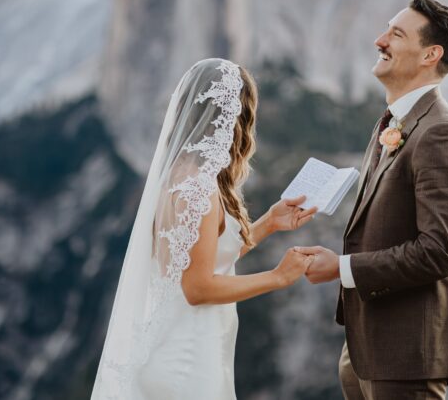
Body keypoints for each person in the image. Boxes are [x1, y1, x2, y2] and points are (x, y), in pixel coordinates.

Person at [91, 58, 317, 400]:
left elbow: (200, 259)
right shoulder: (200, 189)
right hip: (190, 361)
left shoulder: (179, 179)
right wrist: (278, 277)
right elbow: (197, 287)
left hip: (177, 350)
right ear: (235, 118)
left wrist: (269, 223)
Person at [297, 0, 448, 400]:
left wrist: (342, 269)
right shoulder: (395, 122)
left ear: (430, 55)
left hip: (407, 357)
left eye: (396, 34)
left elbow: (439, 252)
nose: (379, 40)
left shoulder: (442, 133)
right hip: (369, 348)